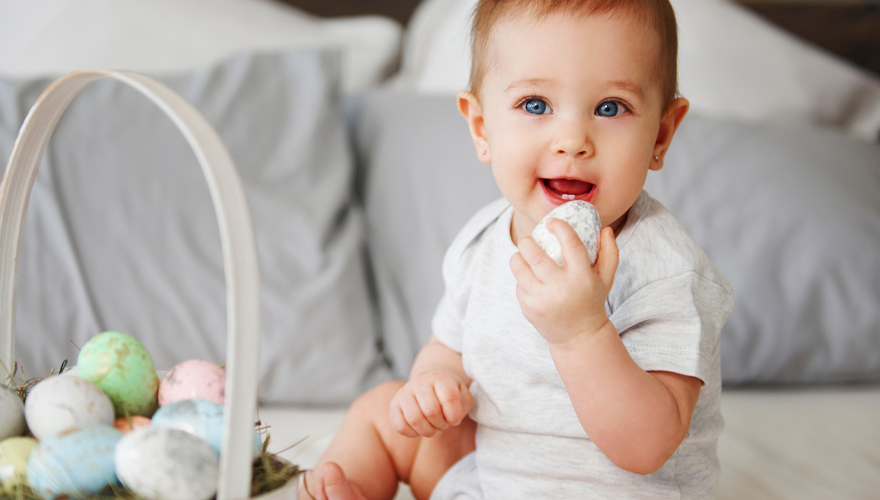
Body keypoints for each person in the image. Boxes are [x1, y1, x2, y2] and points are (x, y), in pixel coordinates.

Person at [302, 0, 734, 498]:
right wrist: (434, 383)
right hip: (495, 481)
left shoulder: (668, 271)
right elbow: (448, 346)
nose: (572, 139)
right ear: (483, 128)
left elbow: (647, 447)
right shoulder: (482, 240)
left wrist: (582, 332)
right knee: (382, 409)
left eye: (610, 107)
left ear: (661, 134)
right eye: (535, 105)